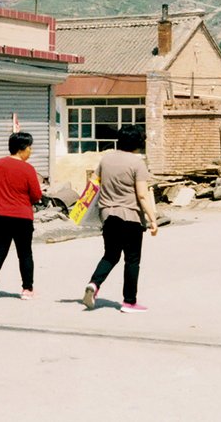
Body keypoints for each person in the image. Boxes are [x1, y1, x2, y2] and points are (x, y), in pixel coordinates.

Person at [82, 125, 158, 313]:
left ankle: (94, 284)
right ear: (138, 142)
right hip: (130, 217)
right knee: (132, 260)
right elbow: (142, 195)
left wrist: (82, 210)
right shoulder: (138, 163)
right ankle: (129, 302)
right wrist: (152, 219)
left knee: (110, 255)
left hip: (108, 215)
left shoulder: (106, 159)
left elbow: (93, 182)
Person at [0, 131, 42, 302]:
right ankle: (27, 289)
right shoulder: (28, 169)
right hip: (22, 217)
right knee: (25, 254)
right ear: (22, 149)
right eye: (29, 147)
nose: (30, 151)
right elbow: (36, 195)